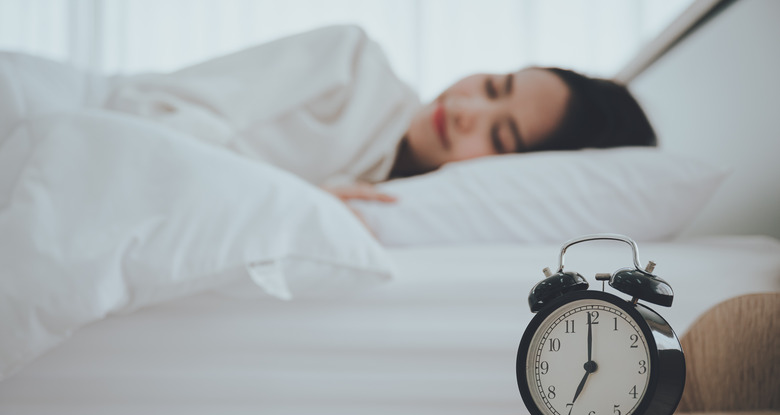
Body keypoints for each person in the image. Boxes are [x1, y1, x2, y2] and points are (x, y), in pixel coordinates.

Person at [104, 25, 655, 204]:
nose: (466, 110)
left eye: (501, 136)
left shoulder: (404, 208)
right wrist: (303, 198)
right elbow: (150, 115)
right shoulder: (351, 61)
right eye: (492, 86)